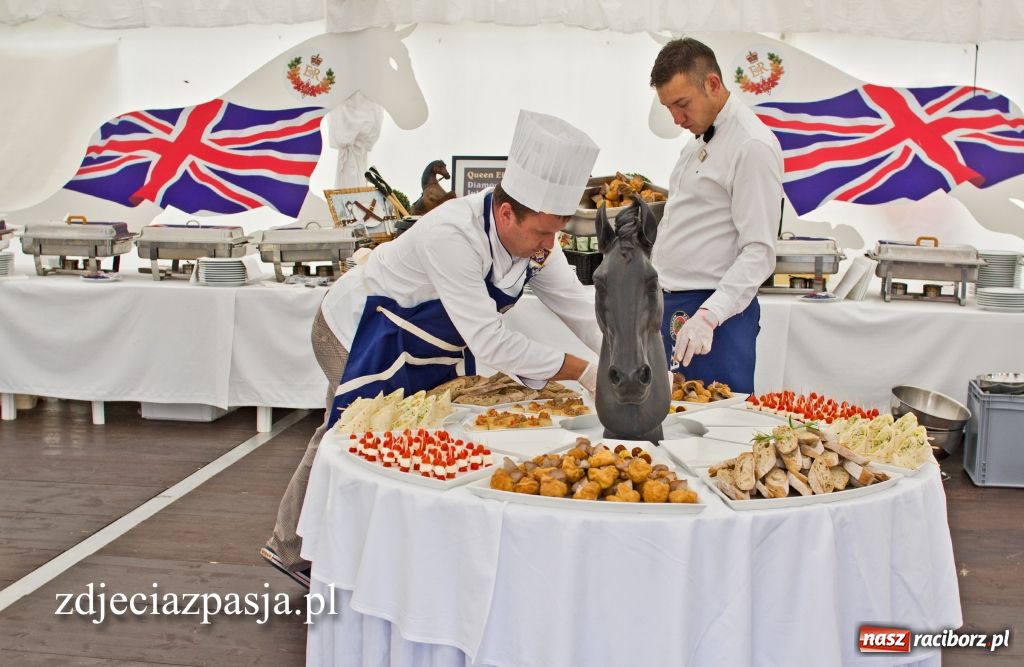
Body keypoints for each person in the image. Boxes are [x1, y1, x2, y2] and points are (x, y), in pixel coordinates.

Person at [261, 110, 602, 587]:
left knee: (413, 436)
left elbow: (579, 309)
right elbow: (489, 339)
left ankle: (383, 547)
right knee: (347, 434)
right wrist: (582, 370)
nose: (550, 245)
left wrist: (621, 361)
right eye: (543, 232)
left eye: (556, 232)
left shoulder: (538, 241)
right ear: (507, 213)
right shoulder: (454, 233)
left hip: (417, 341)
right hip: (357, 328)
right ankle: (293, 550)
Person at [649, 37, 783, 394]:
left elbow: (759, 251)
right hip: (674, 306)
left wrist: (709, 316)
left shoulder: (751, 146)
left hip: (713, 314)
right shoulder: (700, 134)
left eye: (681, 104)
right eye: (668, 108)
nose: (676, 119)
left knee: (714, 429)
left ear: (712, 84)